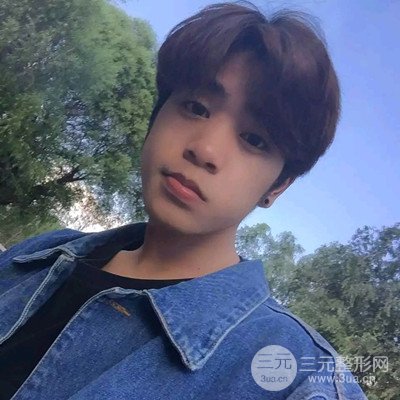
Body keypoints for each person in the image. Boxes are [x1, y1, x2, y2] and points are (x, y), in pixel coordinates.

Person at [0, 2, 367, 399]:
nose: (205, 149)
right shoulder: (40, 255)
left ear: (276, 187)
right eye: (196, 108)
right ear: (157, 115)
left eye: (254, 139)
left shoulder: (296, 377)